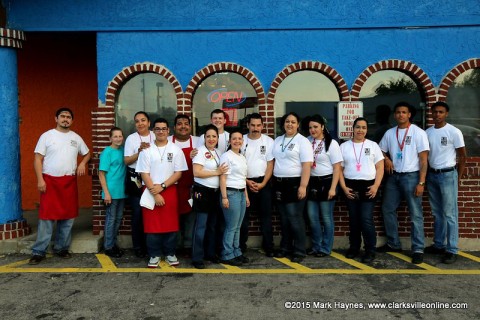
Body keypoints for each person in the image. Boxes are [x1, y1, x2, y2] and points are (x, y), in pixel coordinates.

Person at [29, 107, 90, 265]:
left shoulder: (76, 138)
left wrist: (82, 163)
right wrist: (40, 180)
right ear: (56, 119)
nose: (65, 119)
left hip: (69, 181)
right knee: (46, 218)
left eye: (68, 117)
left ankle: (61, 248)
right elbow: (37, 159)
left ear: (72, 120)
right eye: (62, 116)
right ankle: (39, 251)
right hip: (49, 180)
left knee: (68, 217)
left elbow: (87, 153)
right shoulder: (47, 136)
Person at [378, 102, 429, 264]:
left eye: (404, 112)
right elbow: (380, 150)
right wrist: (386, 159)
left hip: (411, 176)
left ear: (409, 115)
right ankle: (394, 243)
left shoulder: (418, 133)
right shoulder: (389, 133)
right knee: (387, 209)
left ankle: (418, 248)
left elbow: (423, 159)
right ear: (394, 115)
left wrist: (421, 182)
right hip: (393, 177)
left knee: (415, 214)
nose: (400, 115)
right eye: (398, 112)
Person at [136, 118, 188, 268]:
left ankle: (170, 253)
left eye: (163, 129)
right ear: (153, 131)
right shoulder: (146, 151)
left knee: (171, 225)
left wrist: (163, 186)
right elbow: (144, 174)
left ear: (168, 131)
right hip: (150, 191)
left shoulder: (175, 150)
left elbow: (178, 173)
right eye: (157, 129)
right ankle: (154, 254)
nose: (160, 131)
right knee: (152, 227)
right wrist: (155, 192)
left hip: (170, 190)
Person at [425, 101, 467, 264]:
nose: (437, 115)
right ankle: (439, 244)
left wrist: (458, 177)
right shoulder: (428, 132)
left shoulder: (454, 132)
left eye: (441, 112)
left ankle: (452, 249)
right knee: (437, 212)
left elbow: (463, 156)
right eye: (435, 112)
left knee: (450, 214)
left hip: (448, 174)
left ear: (446, 114)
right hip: (432, 175)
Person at [339, 117, 384, 263]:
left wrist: (376, 186)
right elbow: (339, 169)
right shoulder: (344, 146)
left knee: (366, 219)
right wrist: (344, 187)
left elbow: (380, 167)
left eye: (364, 128)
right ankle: (354, 248)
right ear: (353, 129)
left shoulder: (373, 146)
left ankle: (370, 250)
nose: (360, 130)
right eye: (358, 127)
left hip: (369, 186)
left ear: (367, 130)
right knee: (354, 220)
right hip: (350, 186)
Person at [272, 112, 313, 263]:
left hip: (295, 183)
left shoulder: (303, 142)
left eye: (293, 122)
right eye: (287, 121)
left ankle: (299, 250)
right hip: (279, 183)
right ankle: (285, 248)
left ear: (298, 125)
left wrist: (303, 186)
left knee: (295, 218)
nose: (290, 124)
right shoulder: (278, 140)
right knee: (283, 218)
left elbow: (307, 165)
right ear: (283, 124)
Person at [191, 125, 228, 269]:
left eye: (214, 136)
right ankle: (197, 257)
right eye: (208, 136)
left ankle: (210, 253)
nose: (211, 139)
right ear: (204, 138)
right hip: (203, 192)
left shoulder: (219, 152)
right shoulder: (200, 152)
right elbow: (197, 172)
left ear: (218, 138)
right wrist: (217, 172)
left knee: (213, 225)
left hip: (215, 192)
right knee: (201, 225)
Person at [306, 114, 342, 257]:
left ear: (322, 127)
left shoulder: (331, 143)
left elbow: (337, 168)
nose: (312, 130)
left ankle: (325, 248)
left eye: (315, 127)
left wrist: (333, 188)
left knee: (326, 217)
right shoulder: (307, 141)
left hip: (327, 182)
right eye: (310, 127)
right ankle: (316, 245)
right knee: (312, 216)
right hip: (312, 182)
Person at [240, 113, 275, 257]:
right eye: (252, 125)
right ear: (248, 125)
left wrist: (263, 183)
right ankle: (241, 246)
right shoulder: (240, 140)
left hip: (264, 183)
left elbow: (270, 164)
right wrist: (246, 181)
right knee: (243, 218)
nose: (255, 128)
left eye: (258, 125)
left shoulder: (268, 141)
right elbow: (235, 163)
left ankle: (269, 247)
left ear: (262, 126)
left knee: (266, 217)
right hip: (244, 184)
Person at [124, 111, 155, 258]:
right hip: (135, 178)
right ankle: (138, 246)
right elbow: (127, 161)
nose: (140, 123)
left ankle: (151, 245)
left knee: (151, 212)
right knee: (137, 214)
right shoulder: (131, 139)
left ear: (149, 122)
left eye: (143, 120)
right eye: (137, 121)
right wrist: (139, 151)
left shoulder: (155, 136)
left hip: (151, 176)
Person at [168, 114, 200, 256]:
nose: (183, 126)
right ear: (174, 127)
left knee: (190, 218)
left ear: (190, 127)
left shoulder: (198, 142)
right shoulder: (168, 142)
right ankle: (174, 246)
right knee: (173, 218)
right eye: (179, 124)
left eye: (186, 123)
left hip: (191, 187)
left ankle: (188, 246)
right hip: (172, 186)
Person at [219, 130, 250, 266]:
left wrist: (246, 196)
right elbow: (223, 178)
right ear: (229, 141)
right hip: (231, 193)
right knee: (231, 227)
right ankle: (227, 254)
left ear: (242, 141)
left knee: (238, 226)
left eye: (239, 138)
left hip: (241, 193)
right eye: (234, 139)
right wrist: (224, 197)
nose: (237, 141)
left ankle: (236, 252)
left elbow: (243, 179)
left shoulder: (242, 157)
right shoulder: (227, 156)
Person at [99, 127, 127, 258]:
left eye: (120, 136)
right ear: (110, 138)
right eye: (115, 136)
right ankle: (108, 246)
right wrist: (106, 193)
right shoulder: (107, 152)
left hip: (122, 191)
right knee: (111, 219)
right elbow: (101, 174)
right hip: (111, 192)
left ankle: (113, 243)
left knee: (118, 219)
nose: (118, 138)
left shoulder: (123, 150)